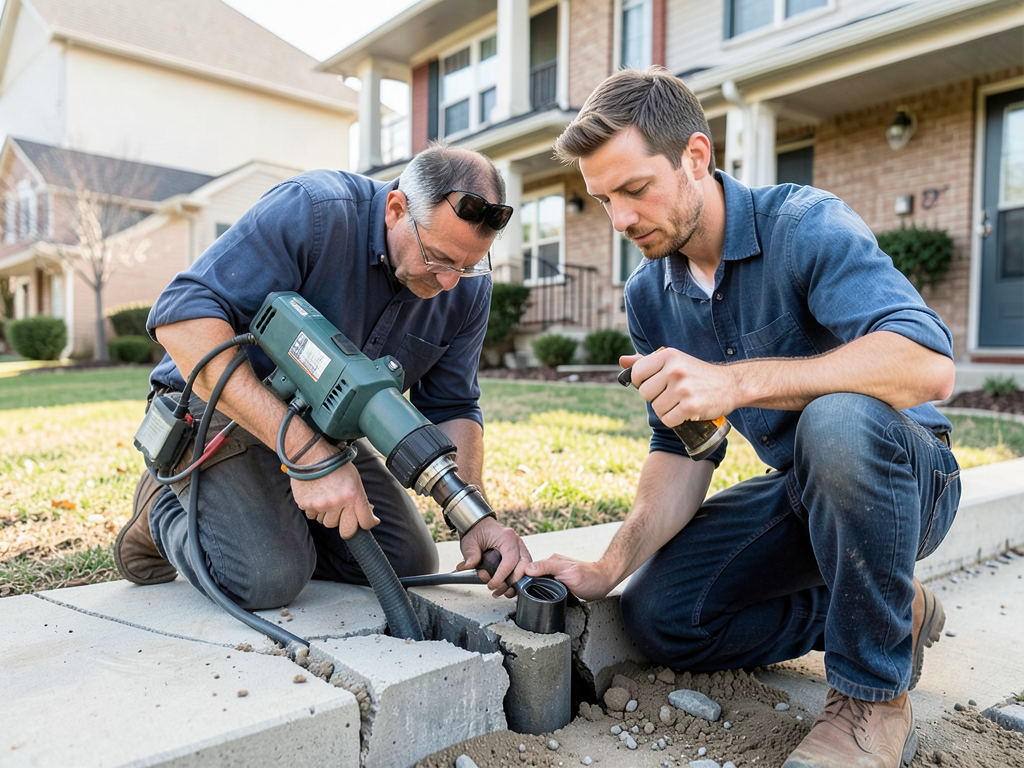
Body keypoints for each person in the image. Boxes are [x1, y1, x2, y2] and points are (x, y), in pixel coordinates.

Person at [525, 67, 960, 768]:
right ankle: (887, 613)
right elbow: (682, 451)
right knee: (662, 616)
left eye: (635, 190)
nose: (622, 220)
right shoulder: (651, 298)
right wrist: (608, 567)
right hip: (804, 493)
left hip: (909, 476)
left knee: (837, 419)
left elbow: (927, 364)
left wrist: (734, 383)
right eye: (603, 199)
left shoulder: (805, 226)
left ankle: (872, 702)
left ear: (695, 157)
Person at [114, 143, 531, 612]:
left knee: (407, 561)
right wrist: (308, 456)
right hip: (218, 408)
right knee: (267, 579)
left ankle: (276, 513)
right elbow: (180, 319)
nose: (450, 281)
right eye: (438, 257)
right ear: (396, 210)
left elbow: (452, 405)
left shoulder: (464, 288)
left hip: (323, 426)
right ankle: (160, 511)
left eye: (469, 264)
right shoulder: (314, 210)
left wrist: (472, 516)